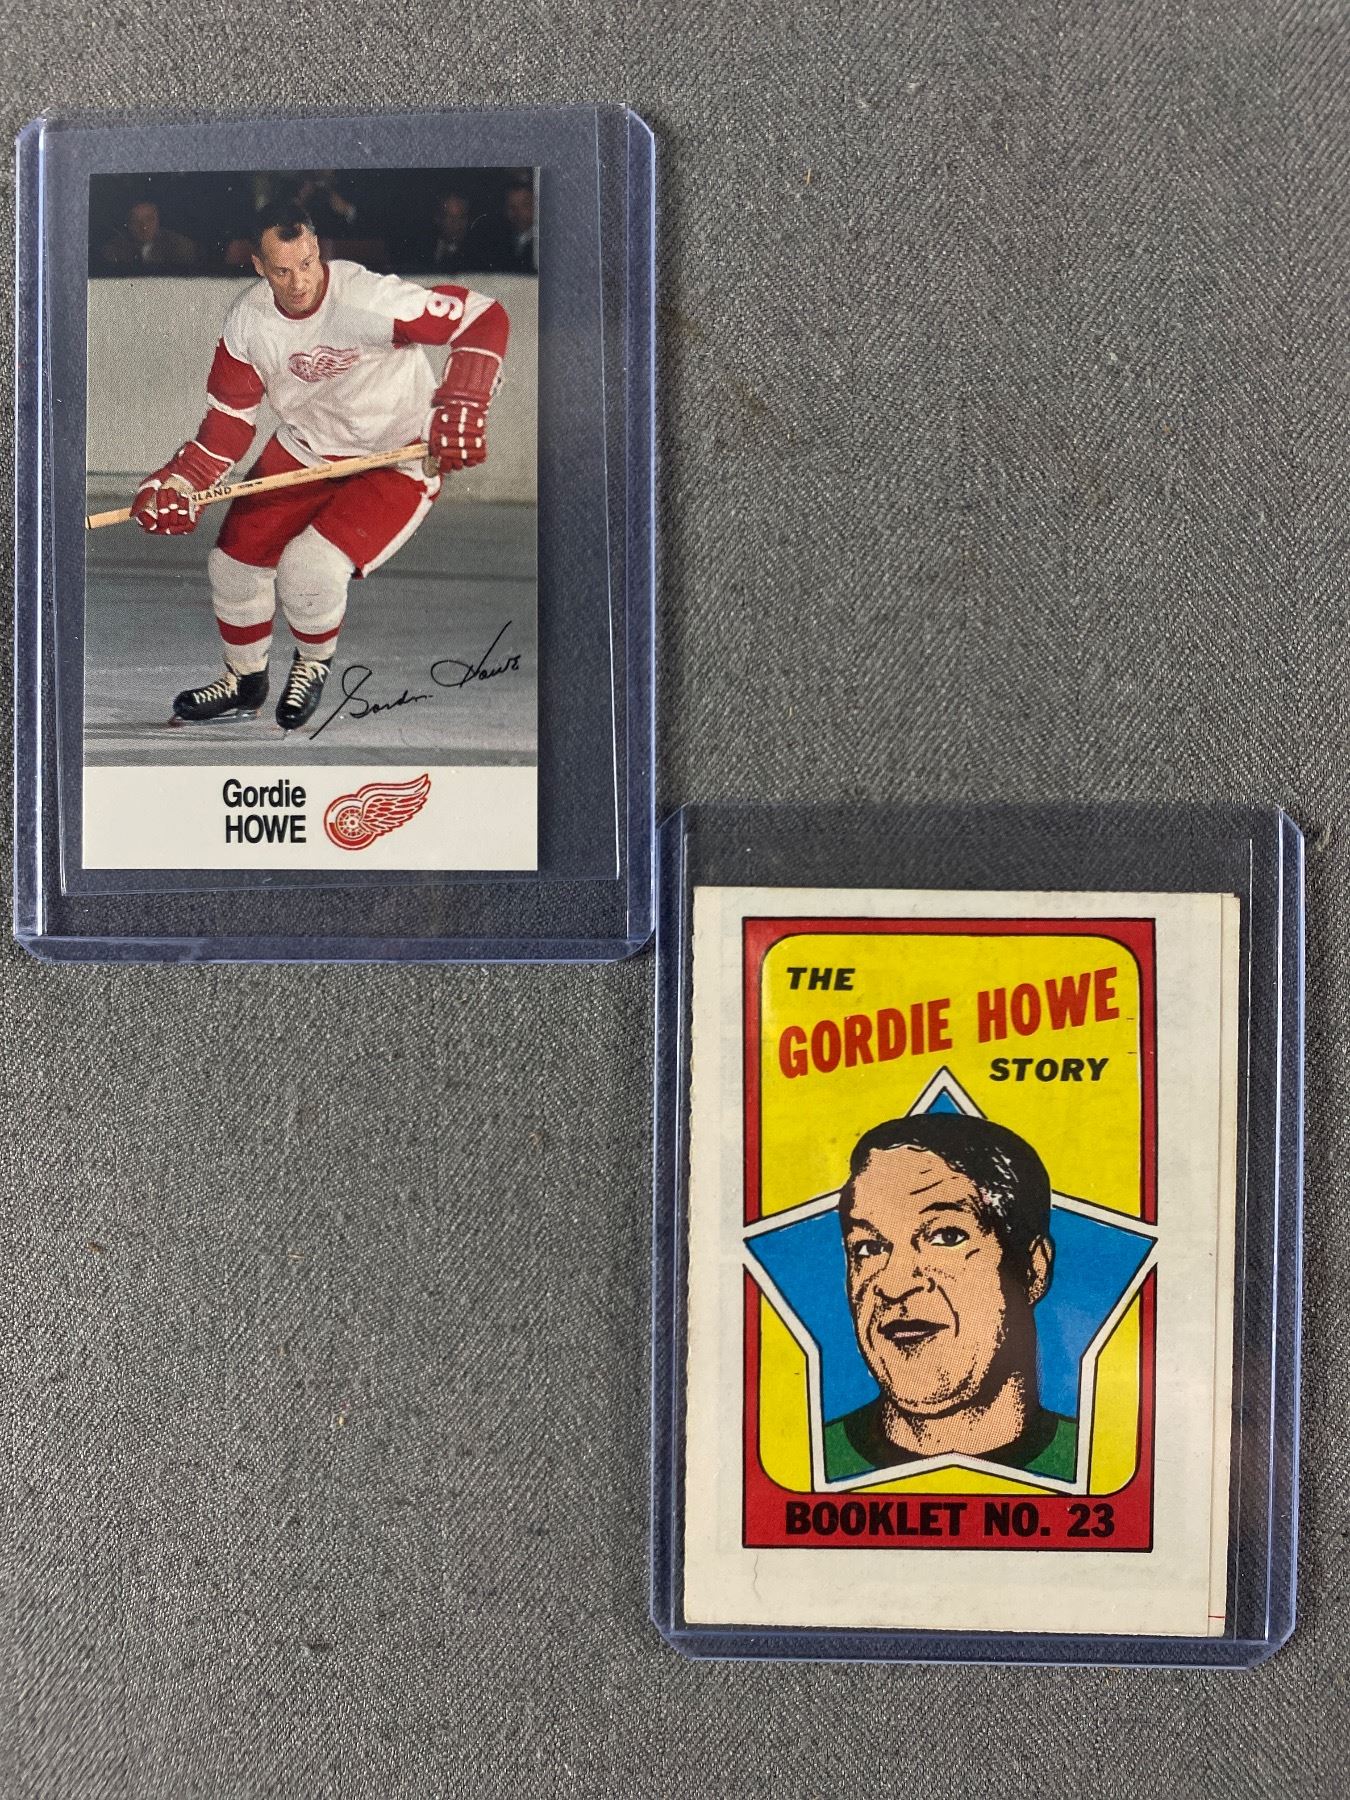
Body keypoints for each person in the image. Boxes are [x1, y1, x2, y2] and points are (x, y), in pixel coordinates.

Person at [129, 200, 510, 730]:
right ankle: (244, 682)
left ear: (317, 248)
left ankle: (311, 662)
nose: (300, 282)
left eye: (307, 263)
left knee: (309, 567)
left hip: (395, 458)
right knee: (233, 564)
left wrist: (464, 400)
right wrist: (180, 480)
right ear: (259, 266)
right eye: (282, 271)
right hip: (306, 449)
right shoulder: (248, 321)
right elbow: (229, 424)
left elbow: (482, 315)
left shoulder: (367, 297)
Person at [823, 1112, 1077, 1482]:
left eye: (946, 1237)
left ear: (1033, 1270)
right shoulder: (808, 1461)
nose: (894, 1285)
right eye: (869, 1247)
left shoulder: (1098, 1461)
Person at [101, 200, 197, 271]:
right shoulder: (114, 250)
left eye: (149, 219)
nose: (144, 227)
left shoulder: (181, 246)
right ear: (128, 224)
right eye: (136, 221)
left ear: (158, 220)